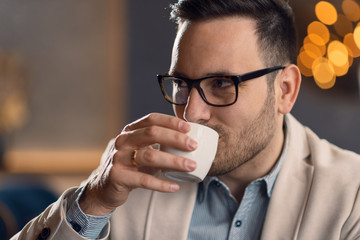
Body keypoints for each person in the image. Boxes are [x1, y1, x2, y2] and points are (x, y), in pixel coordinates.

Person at [11, 0, 360, 239]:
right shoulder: (129, 180)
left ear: (285, 89)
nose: (191, 113)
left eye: (222, 84)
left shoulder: (351, 196)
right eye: (181, 84)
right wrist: (93, 202)